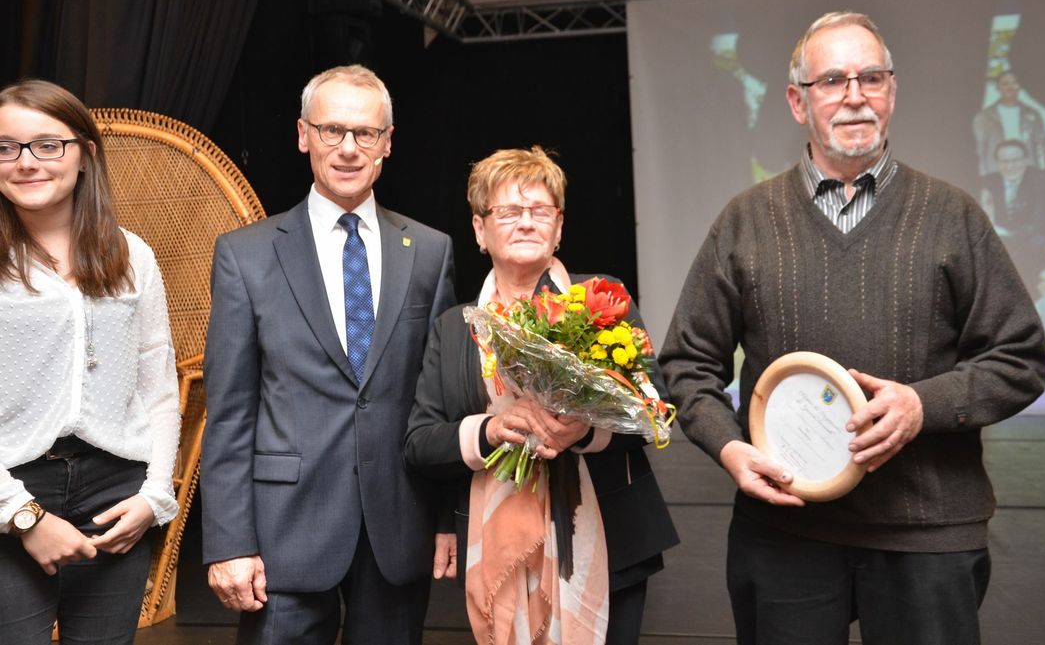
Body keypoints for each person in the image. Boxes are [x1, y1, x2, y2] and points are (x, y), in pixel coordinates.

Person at [659, 12, 1045, 645]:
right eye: (833, 79)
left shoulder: (953, 216)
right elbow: (685, 364)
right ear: (796, 101)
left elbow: (1020, 357)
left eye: (871, 77)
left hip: (927, 531)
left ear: (891, 91)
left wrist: (923, 405)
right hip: (785, 530)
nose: (854, 94)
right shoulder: (747, 221)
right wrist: (729, 449)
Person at [200, 65, 457, 645]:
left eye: (365, 133)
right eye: (331, 130)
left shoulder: (431, 252)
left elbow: (437, 403)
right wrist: (229, 542)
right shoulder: (247, 256)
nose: (347, 148)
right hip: (282, 534)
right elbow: (231, 412)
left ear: (388, 143)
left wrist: (448, 518)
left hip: (398, 524)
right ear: (302, 135)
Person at [405, 146, 678, 645]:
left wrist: (586, 428)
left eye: (540, 211)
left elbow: (655, 412)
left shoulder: (601, 299)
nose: (526, 222)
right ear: (479, 231)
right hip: (497, 552)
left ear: (559, 226)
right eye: (508, 211)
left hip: (611, 541)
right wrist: (489, 431)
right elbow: (421, 442)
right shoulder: (452, 328)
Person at [0, 79, 180, 644]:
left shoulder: (133, 255)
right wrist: (22, 516)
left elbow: (158, 387)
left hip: (116, 495)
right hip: (12, 487)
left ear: (85, 155)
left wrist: (154, 496)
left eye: (47, 144)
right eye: (6, 146)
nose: (26, 162)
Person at [979, 138, 1045, 297]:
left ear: (1026, 160)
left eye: (1015, 160)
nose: (1010, 166)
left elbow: (1040, 219)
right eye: (1004, 161)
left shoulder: (1041, 180)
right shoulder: (988, 182)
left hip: (1031, 237)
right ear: (997, 163)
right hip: (999, 237)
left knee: (1035, 244)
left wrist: (1011, 237)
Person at [973, 70, 1045, 177]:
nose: (1010, 86)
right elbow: (980, 148)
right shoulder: (984, 117)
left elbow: (1041, 145)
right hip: (996, 171)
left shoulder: (1032, 114)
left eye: (1014, 82)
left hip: (1027, 171)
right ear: (998, 88)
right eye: (1005, 83)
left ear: (1020, 86)